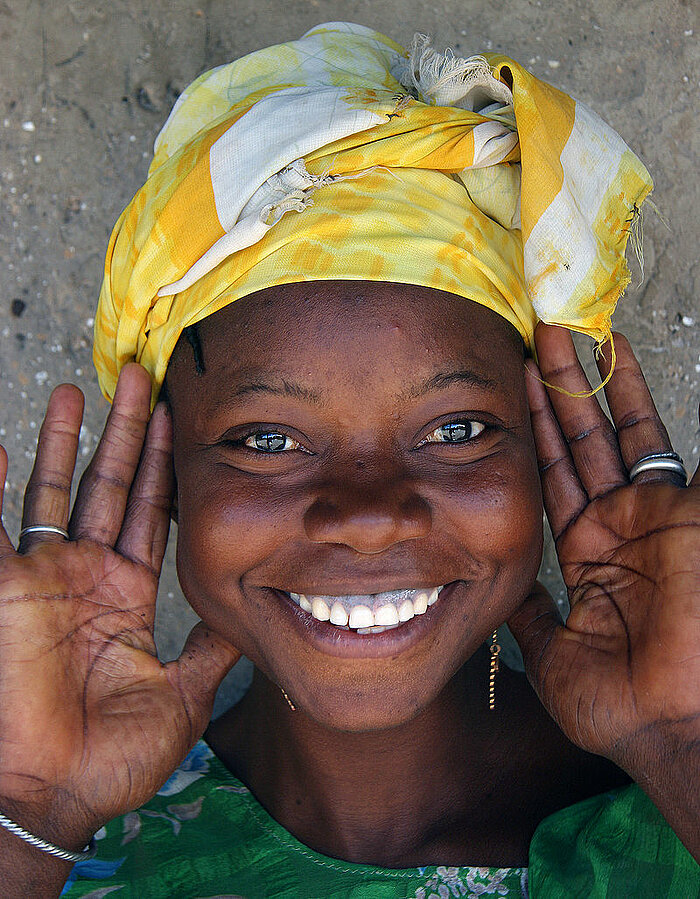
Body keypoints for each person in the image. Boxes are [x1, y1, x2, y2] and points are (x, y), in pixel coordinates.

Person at [0, 22, 697, 898]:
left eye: (454, 431)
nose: (369, 514)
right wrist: (30, 810)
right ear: (167, 469)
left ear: (539, 451)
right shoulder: (58, 847)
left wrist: (682, 742)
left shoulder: (671, 819)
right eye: (268, 440)